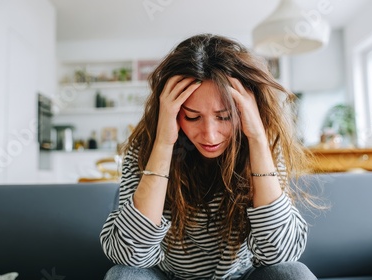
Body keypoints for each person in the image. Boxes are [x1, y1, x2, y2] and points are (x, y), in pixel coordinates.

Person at [100, 33, 318, 280]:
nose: (210, 135)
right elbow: (128, 255)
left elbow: (281, 253)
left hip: (241, 277)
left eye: (224, 117)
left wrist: (257, 138)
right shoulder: (143, 151)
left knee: (293, 273)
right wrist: (163, 144)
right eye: (192, 117)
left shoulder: (264, 148)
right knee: (123, 276)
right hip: (171, 277)